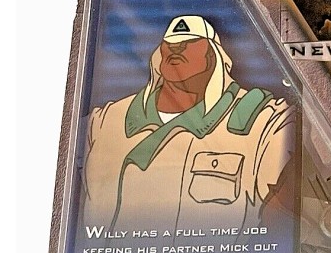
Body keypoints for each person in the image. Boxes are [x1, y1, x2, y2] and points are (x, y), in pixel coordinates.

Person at [82, 15, 295, 234]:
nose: (177, 48)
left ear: (212, 55)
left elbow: (284, 220)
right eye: (170, 43)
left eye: (190, 42)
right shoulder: (105, 120)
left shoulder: (263, 121)